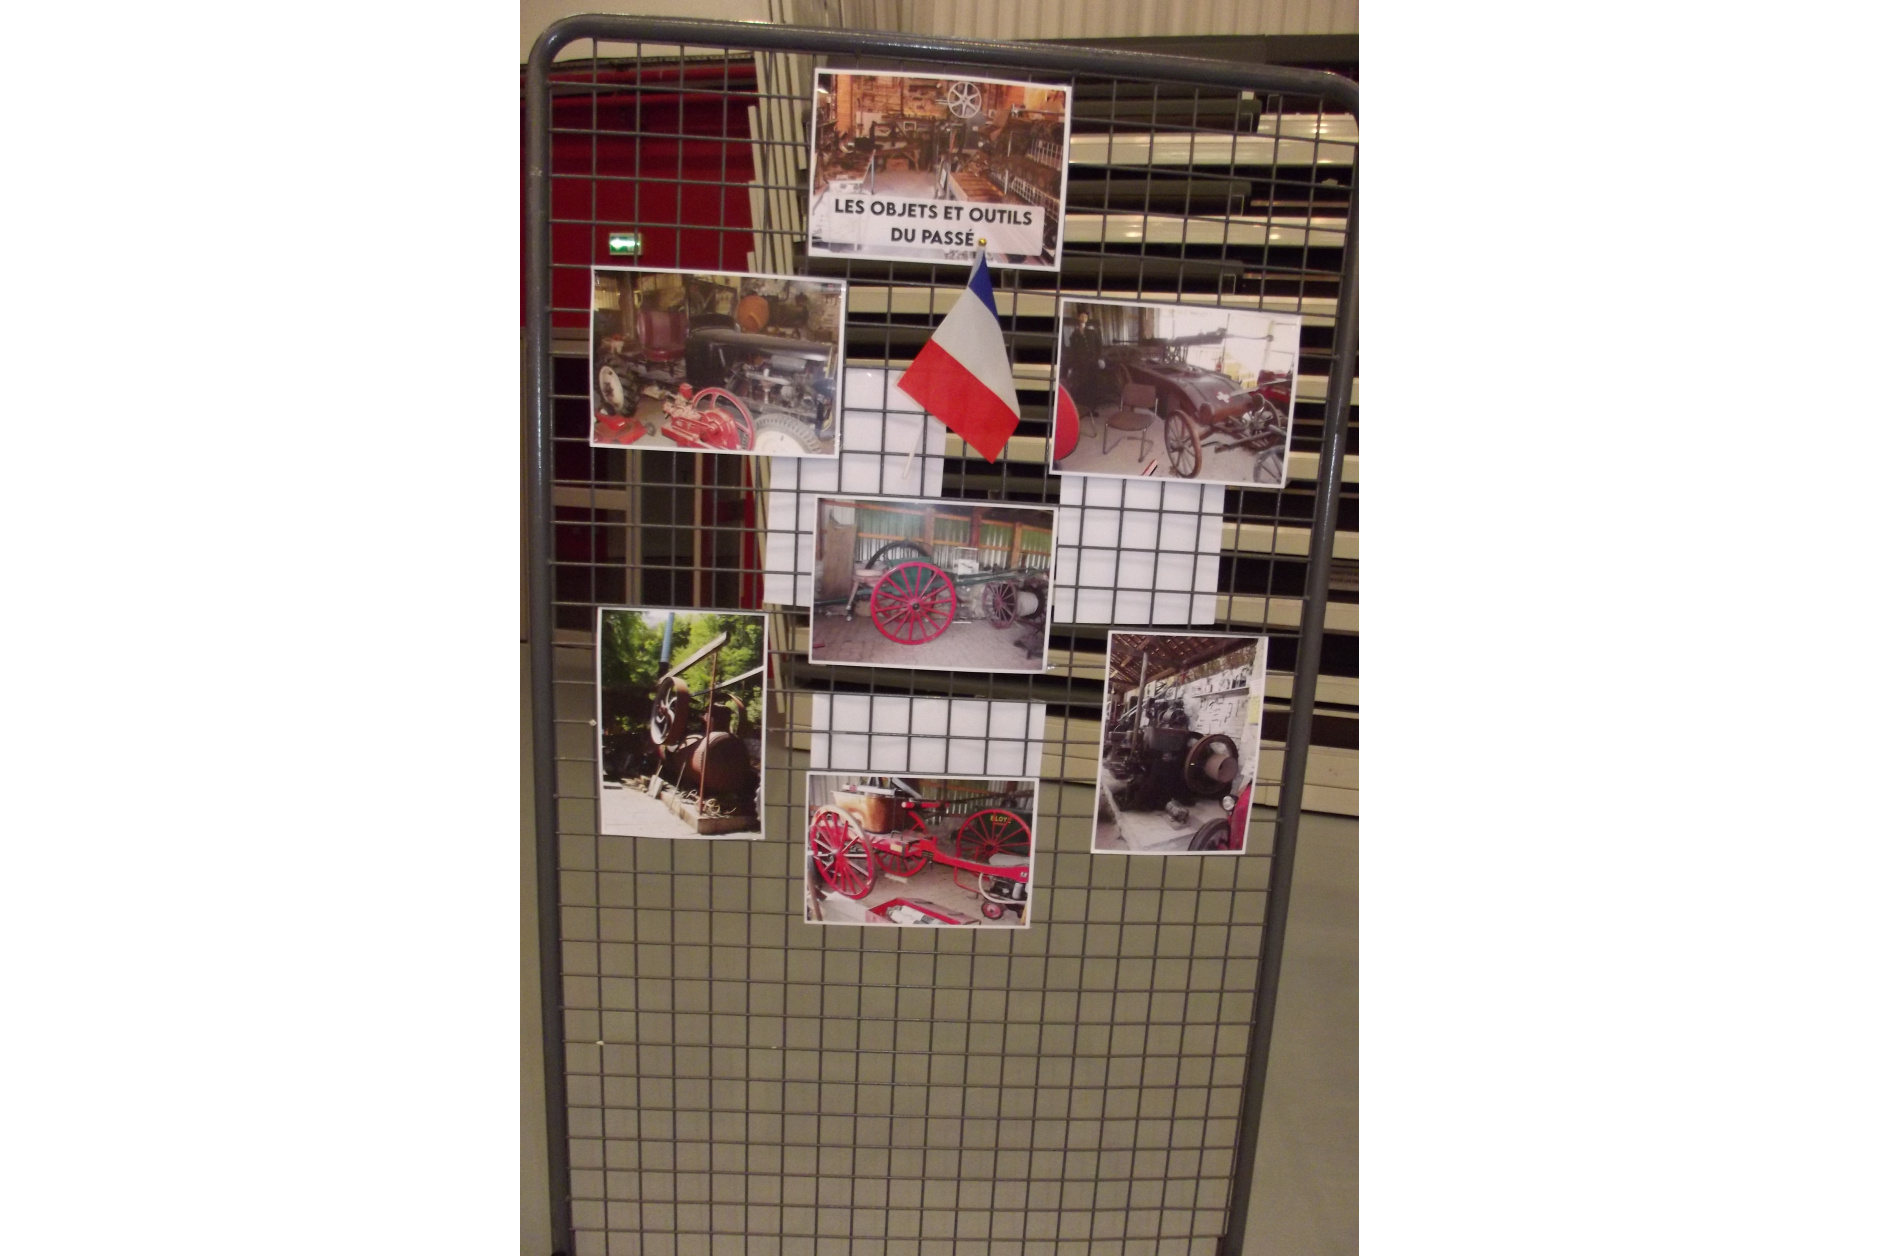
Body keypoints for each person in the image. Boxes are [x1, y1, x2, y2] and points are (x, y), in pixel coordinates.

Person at [1062, 308, 1104, 404]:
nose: (1084, 318)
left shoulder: (1092, 332)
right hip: (1081, 364)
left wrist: (1100, 358)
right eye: (1082, 316)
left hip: (1093, 362)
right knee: (1083, 383)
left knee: (1094, 382)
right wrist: (1071, 366)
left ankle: (1094, 404)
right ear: (1078, 318)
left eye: (1085, 316)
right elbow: (1073, 352)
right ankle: (1086, 404)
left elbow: (1099, 346)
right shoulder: (1074, 335)